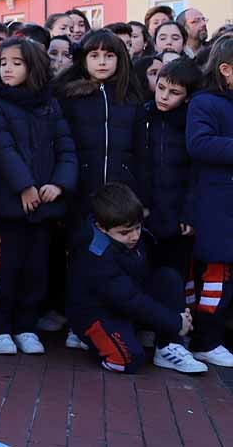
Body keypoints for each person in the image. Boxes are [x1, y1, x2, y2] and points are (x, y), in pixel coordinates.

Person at [0, 38, 78, 356]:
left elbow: (65, 147)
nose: (7, 68)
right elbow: (1, 147)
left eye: (16, 63)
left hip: (45, 205)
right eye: (3, 62)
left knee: (36, 270)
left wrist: (59, 185)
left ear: (32, 67)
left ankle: (25, 326)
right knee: (4, 269)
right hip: (9, 203)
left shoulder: (49, 103)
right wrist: (24, 186)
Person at [67, 183, 205, 374]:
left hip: (125, 302)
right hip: (96, 314)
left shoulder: (133, 233)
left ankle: (169, 347)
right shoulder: (95, 255)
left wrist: (175, 317)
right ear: (102, 227)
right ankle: (94, 340)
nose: (134, 236)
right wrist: (175, 321)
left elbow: (138, 290)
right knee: (129, 359)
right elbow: (129, 299)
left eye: (137, 228)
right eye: (125, 232)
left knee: (168, 277)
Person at [52, 29, 147, 253]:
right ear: (83, 60)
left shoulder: (131, 98)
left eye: (109, 56)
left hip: (123, 193)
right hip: (80, 192)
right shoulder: (68, 97)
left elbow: (142, 152)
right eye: (94, 56)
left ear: (120, 59)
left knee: (121, 258)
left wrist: (144, 199)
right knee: (81, 255)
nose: (102, 62)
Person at [186, 36, 233, 366]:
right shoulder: (204, 103)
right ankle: (206, 339)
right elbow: (199, 144)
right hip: (217, 205)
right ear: (226, 69)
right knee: (216, 277)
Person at [144, 58, 201, 281]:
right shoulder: (144, 116)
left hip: (178, 214)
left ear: (187, 96)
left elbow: (195, 174)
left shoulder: (191, 123)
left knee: (175, 275)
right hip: (146, 212)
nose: (164, 96)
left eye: (174, 92)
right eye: (161, 88)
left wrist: (189, 212)